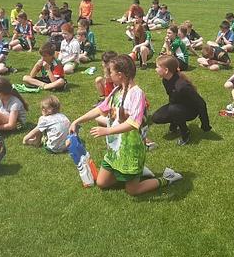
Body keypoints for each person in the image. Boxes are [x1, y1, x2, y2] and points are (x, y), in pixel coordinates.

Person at [69, 55, 183, 195]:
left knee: (133, 191)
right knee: (102, 183)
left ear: (120, 75)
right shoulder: (117, 90)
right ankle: (138, 173)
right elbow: (100, 109)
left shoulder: (137, 94)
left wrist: (107, 131)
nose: (109, 74)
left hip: (130, 150)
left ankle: (167, 178)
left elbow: (133, 124)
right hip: (115, 148)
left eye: (111, 71)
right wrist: (77, 121)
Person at [151, 55, 211, 145]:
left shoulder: (182, 86)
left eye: (157, 67)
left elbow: (201, 103)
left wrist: (205, 124)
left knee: (173, 109)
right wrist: (173, 122)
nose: (155, 69)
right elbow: (173, 98)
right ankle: (175, 122)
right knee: (156, 118)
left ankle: (185, 133)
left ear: (166, 70)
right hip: (177, 107)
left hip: (191, 111)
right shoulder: (165, 80)